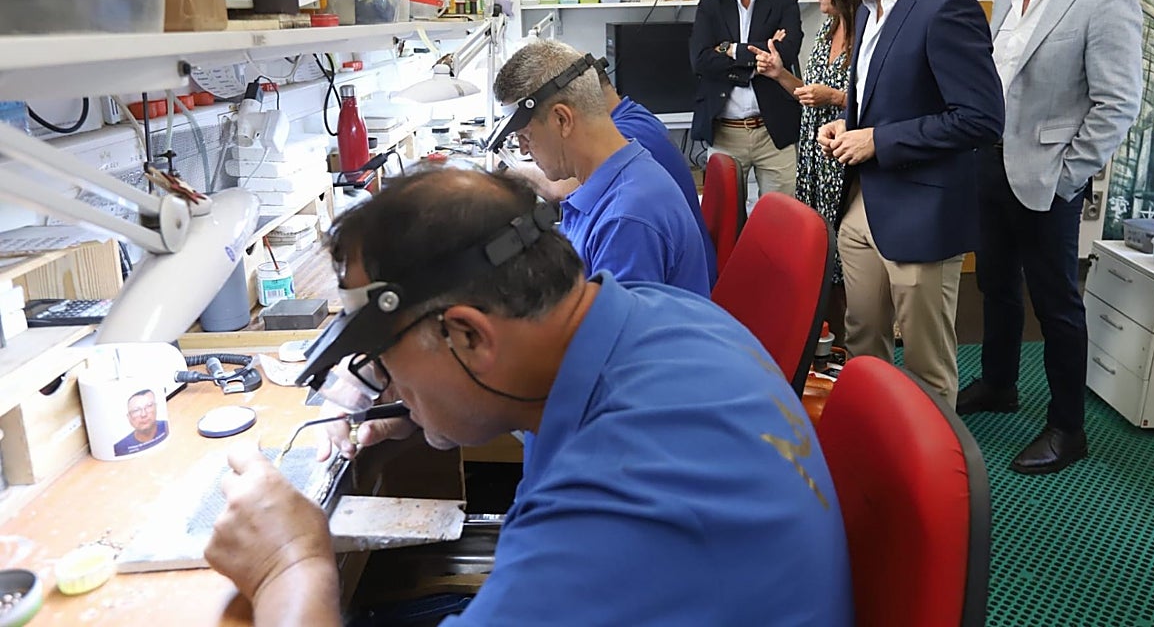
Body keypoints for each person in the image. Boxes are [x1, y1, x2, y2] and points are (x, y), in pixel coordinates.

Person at [203, 167, 855, 626]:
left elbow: (613, 502)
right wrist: (426, 403)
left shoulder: (615, 499)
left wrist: (290, 566)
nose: (386, 382)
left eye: (386, 358)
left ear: (466, 334)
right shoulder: (660, 314)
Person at [956, 0, 1144, 474]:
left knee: (1057, 302)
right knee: (996, 287)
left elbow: (1118, 103)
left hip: (1048, 179)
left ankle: (1067, 428)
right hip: (990, 166)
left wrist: (1067, 175)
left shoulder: (1103, 0)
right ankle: (1000, 383)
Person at [815, 0, 1005, 405]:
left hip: (921, 213)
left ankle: (936, 479)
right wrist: (846, 125)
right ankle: (874, 448)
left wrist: (879, 139)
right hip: (862, 206)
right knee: (862, 347)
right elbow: (879, 98)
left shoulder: (946, 8)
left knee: (925, 365)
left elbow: (982, 119)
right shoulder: (871, 11)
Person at [492, 39, 710, 296]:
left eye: (525, 136)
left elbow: (618, 334)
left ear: (562, 119)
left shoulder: (627, 219)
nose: (524, 150)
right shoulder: (612, 181)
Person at [757, 0, 860, 344]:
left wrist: (835, 97)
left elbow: (878, 101)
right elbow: (806, 94)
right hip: (814, 161)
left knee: (847, 264)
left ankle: (853, 350)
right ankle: (828, 347)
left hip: (844, 161)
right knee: (821, 257)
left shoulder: (866, 33)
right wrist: (780, 73)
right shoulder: (825, 30)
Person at [690, 0, 804, 201]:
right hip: (725, 134)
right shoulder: (710, 6)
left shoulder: (783, 2)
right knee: (725, 225)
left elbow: (785, 52)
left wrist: (728, 50)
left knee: (782, 221)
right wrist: (757, 53)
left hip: (773, 131)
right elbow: (701, 60)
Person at [112, 389, 167, 457]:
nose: (143, 414)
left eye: (149, 406)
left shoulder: (166, 427)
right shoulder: (120, 448)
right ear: (129, 417)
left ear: (156, 407)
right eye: (136, 410)